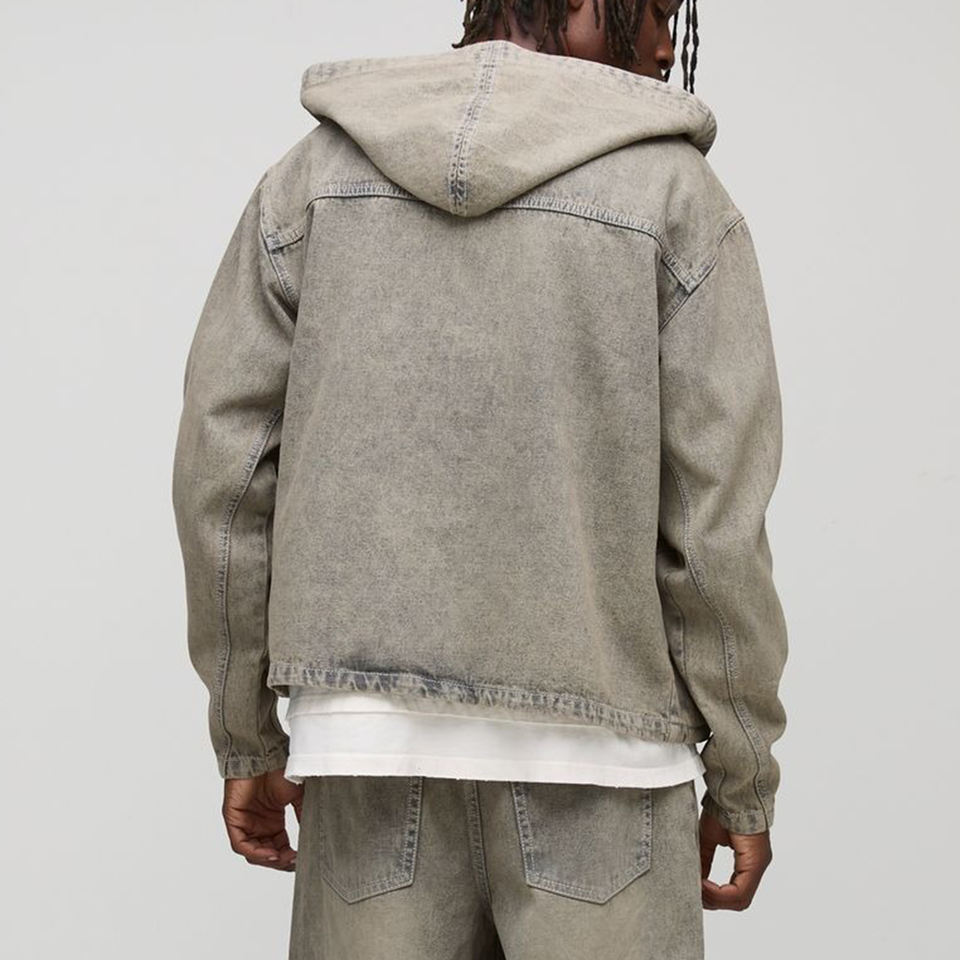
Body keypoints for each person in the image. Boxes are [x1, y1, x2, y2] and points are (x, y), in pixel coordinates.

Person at [171, 1, 789, 956]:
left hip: (368, 755)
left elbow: (225, 478)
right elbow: (716, 530)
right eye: (656, 6)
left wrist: (243, 730)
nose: (668, 43)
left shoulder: (312, 179)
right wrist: (744, 774)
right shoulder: (675, 198)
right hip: (608, 771)